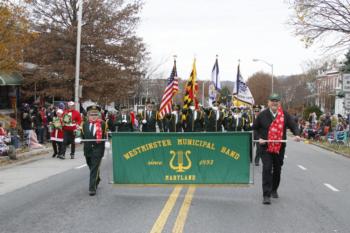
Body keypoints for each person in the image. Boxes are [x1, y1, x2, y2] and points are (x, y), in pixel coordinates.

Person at [252, 93, 300, 205]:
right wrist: (259, 138)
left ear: (279, 103)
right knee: (267, 168)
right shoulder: (262, 115)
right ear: (268, 102)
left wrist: (297, 134)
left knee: (277, 169)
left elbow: (293, 125)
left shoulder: (285, 115)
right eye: (272, 100)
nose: (274, 102)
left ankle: (274, 189)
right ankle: (266, 195)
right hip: (266, 147)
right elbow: (254, 129)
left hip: (280, 147)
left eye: (276, 101)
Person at [79, 104, 108, 196]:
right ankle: (97, 178)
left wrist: (107, 141)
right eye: (92, 114)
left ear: (98, 115)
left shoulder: (103, 124)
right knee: (90, 166)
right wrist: (78, 138)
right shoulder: (84, 124)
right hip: (87, 149)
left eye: (96, 114)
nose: (94, 116)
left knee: (94, 168)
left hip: (98, 149)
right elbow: (81, 135)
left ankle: (92, 188)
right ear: (88, 115)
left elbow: (106, 134)